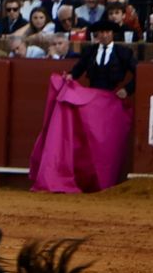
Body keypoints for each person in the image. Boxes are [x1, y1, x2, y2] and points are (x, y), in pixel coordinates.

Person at [31, 19, 138, 193]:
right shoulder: (90, 51)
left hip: (111, 102)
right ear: (97, 35)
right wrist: (70, 77)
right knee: (89, 141)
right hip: (92, 102)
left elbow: (140, 72)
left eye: (107, 32)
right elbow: (78, 70)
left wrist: (127, 89)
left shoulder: (123, 53)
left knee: (106, 142)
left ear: (112, 34)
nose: (104, 35)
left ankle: (106, 181)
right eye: (100, 33)